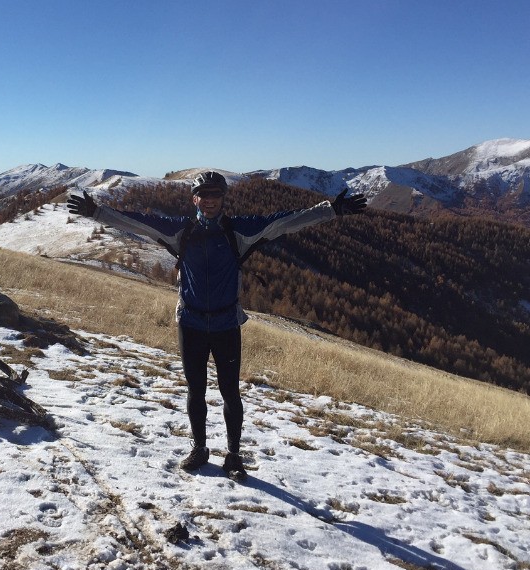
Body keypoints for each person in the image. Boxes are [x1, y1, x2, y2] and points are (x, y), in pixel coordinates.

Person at [67, 171, 366, 478]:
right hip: (191, 323)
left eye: (215, 196)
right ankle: (199, 448)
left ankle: (234, 456)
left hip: (225, 324)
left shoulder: (238, 230)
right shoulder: (180, 231)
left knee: (230, 393)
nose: (208, 201)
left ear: (223, 198)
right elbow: (137, 222)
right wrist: (97, 211)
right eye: (203, 195)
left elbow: (285, 221)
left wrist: (332, 209)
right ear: (194, 198)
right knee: (195, 391)